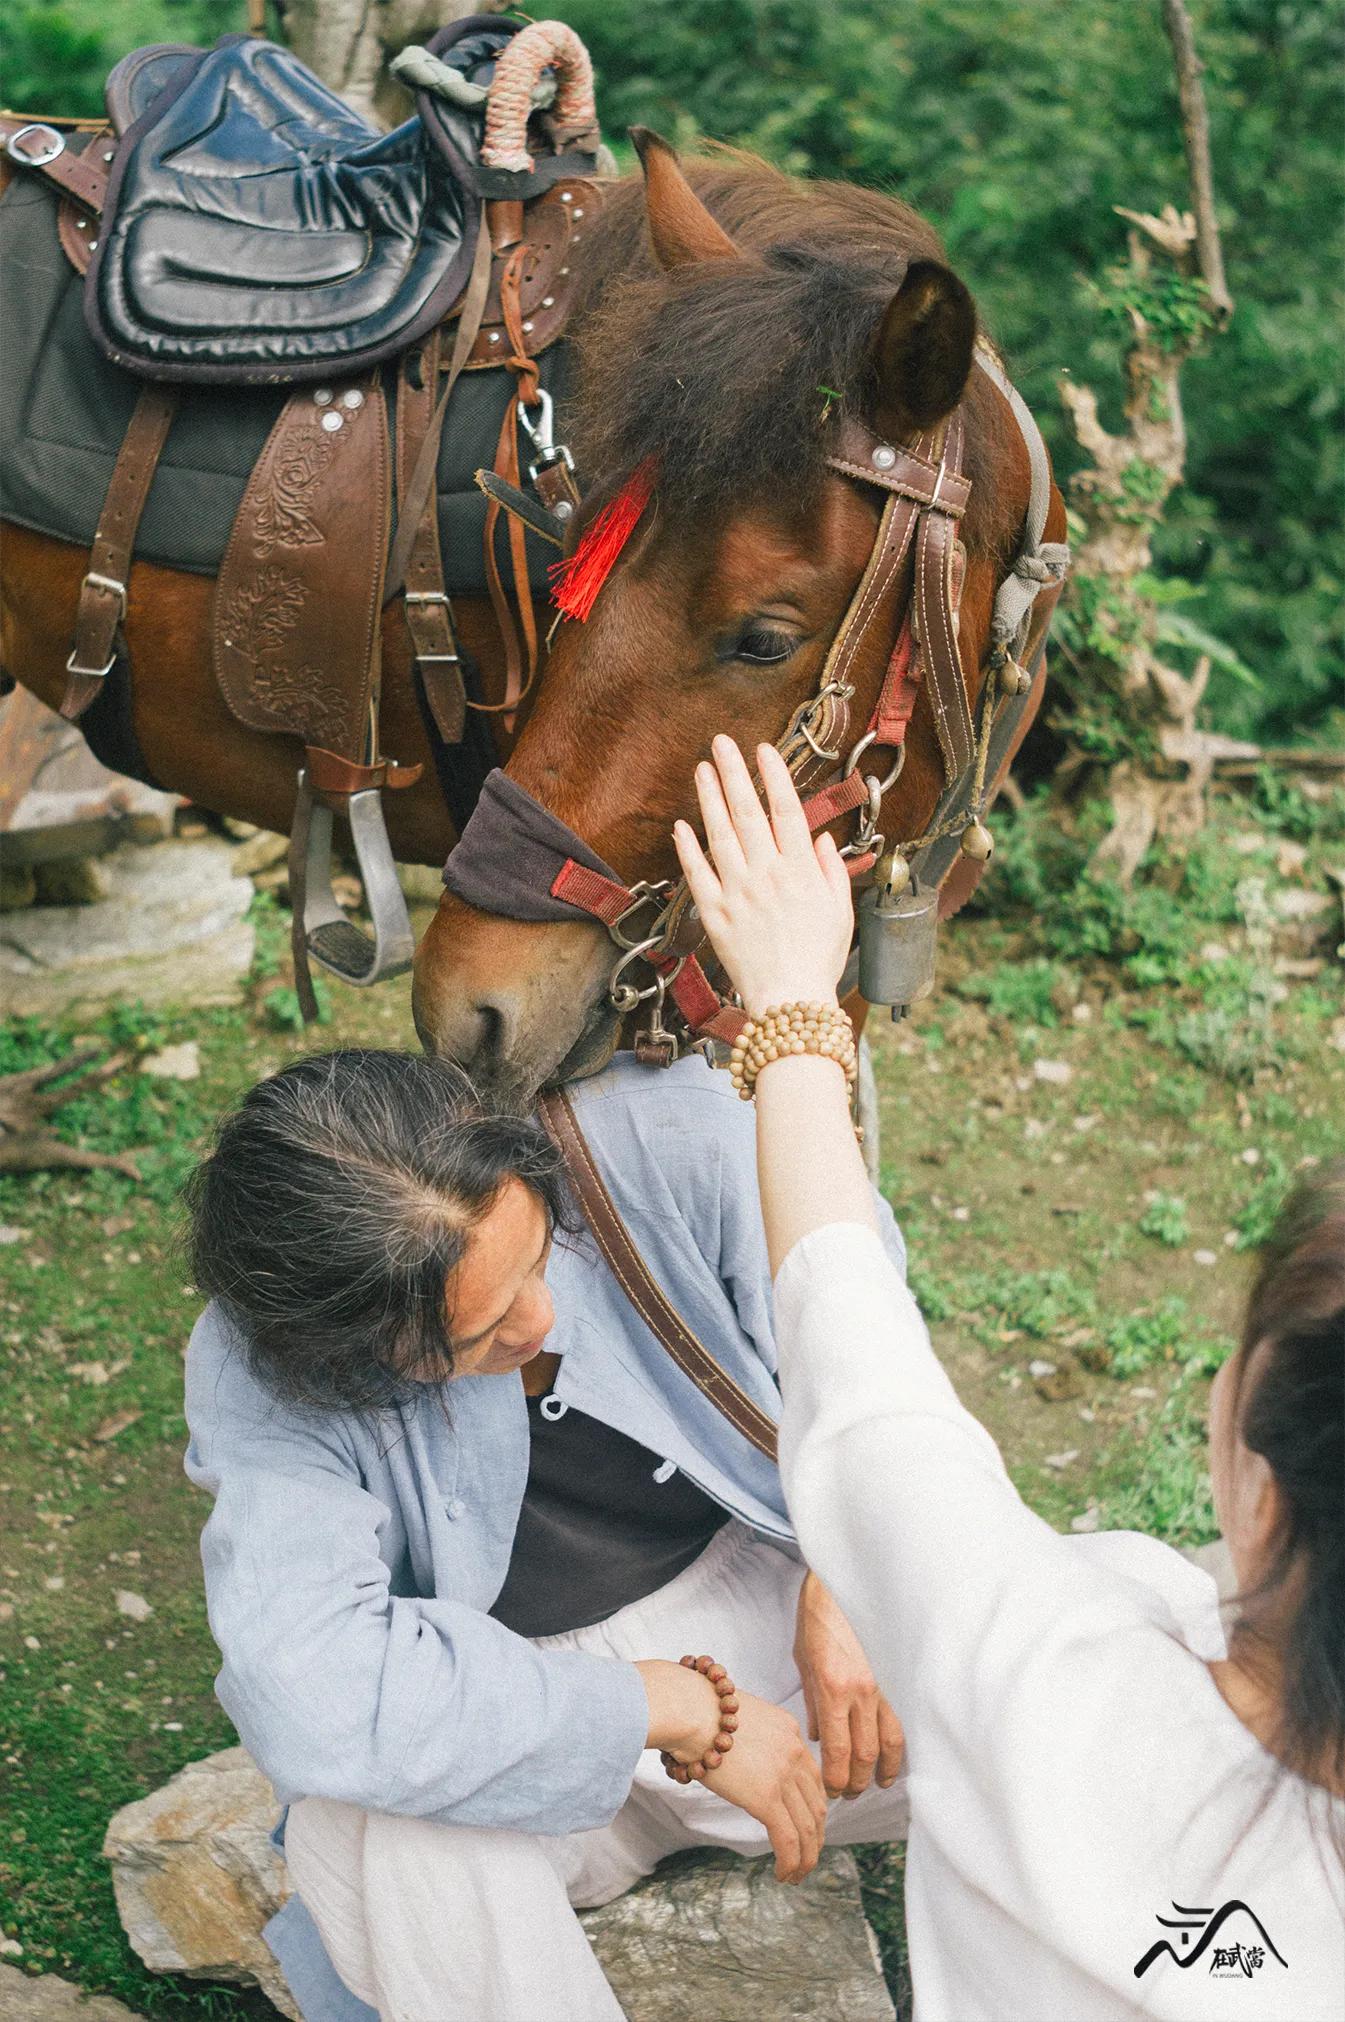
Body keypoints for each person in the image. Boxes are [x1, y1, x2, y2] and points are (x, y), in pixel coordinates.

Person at [673, 733, 1345, 2021]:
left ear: (1258, 1477)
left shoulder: (1038, 1674)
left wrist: (790, 1002)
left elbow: (865, 1391)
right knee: (1136, 1570)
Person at [182, 1045, 911, 2022]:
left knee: (1131, 1629)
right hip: (538, 1727)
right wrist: (669, 1705)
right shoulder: (266, 1372)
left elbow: (864, 1314)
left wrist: (847, 1555)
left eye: (538, 1255)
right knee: (367, 1824)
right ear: (347, 1354)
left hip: (789, 1639)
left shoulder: (660, 1134)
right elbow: (309, 1688)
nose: (541, 1318)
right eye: (475, 1337)